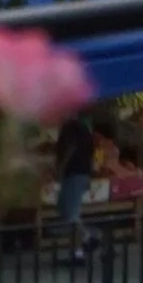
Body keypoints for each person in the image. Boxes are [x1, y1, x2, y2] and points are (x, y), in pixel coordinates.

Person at [54, 105, 98, 247]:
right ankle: (79, 248)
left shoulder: (70, 129)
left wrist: (61, 168)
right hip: (82, 173)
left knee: (71, 214)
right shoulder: (85, 129)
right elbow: (91, 153)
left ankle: (88, 238)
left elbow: (69, 150)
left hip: (73, 173)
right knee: (66, 209)